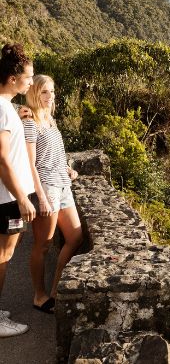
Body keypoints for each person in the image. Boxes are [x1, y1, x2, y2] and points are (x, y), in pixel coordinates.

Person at [24, 74, 82, 314]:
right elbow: (30, 163)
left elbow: (55, 152)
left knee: (75, 237)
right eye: (45, 92)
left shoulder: (50, 120)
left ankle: (57, 288)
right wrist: (41, 196)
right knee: (43, 245)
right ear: (35, 93)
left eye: (52, 92)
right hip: (46, 187)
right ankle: (39, 295)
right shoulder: (30, 121)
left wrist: (68, 168)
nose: (50, 97)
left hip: (62, 183)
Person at [0, 43, 36, 337]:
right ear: (12, 78)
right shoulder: (1, 108)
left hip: (9, 196)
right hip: (8, 198)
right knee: (3, 255)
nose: (31, 82)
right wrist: (23, 197)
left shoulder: (5, 107)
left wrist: (18, 116)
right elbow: (1, 159)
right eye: (28, 77)